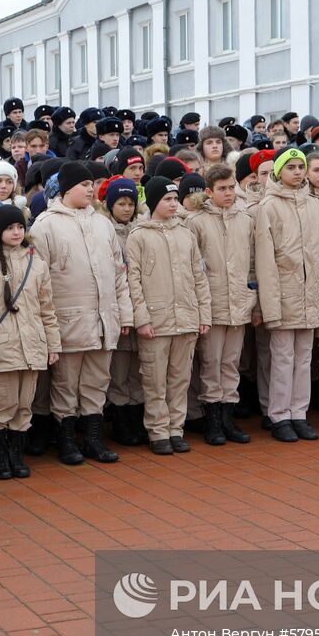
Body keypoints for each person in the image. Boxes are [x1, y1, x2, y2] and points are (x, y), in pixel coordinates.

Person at [29, 163, 133, 465]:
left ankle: (93, 439)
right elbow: (38, 280)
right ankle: (66, 440)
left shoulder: (102, 223)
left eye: (91, 184)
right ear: (66, 189)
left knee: (97, 381)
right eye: (83, 184)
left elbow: (119, 273)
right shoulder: (45, 225)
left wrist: (124, 314)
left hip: (103, 319)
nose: (90, 189)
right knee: (65, 384)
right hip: (67, 321)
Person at [0, 205, 59, 479]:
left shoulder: (36, 263)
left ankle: (16, 456)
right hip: (2, 345)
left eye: (20, 227)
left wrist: (52, 344)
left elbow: (47, 308)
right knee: (2, 404)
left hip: (32, 344)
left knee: (24, 405)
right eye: (9, 228)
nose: (16, 232)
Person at [255, 148, 319, 442]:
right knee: (282, 358)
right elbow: (266, 261)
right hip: (284, 295)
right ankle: (279, 415)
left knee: (304, 359)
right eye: (290, 167)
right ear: (279, 172)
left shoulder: (315, 206)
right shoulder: (268, 206)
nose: (297, 172)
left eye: (300, 167)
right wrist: (270, 306)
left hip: (310, 294)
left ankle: (299, 413)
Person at [125, 177, 211, 454]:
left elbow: (199, 276)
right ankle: (158, 431)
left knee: (180, 379)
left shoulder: (185, 233)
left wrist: (203, 314)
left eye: (175, 199)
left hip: (186, 318)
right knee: (155, 381)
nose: (173, 204)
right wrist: (142, 318)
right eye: (167, 200)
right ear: (153, 203)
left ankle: (176, 429)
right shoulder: (139, 236)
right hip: (156, 321)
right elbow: (133, 281)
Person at [185, 164, 254, 446]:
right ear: (209, 191)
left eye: (231, 187)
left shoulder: (245, 219)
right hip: (212, 303)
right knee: (211, 362)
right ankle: (212, 418)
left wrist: (251, 297)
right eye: (221, 189)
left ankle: (228, 416)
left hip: (238, 301)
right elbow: (193, 268)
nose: (228, 193)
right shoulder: (197, 221)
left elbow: (251, 263)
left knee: (231, 362)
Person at [101, 177, 146, 447]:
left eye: (131, 204)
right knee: (118, 371)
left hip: (141, 307)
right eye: (121, 204)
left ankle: (136, 417)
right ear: (110, 205)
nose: (127, 209)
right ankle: (120, 421)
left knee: (138, 371)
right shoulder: (106, 233)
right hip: (118, 310)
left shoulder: (142, 229)